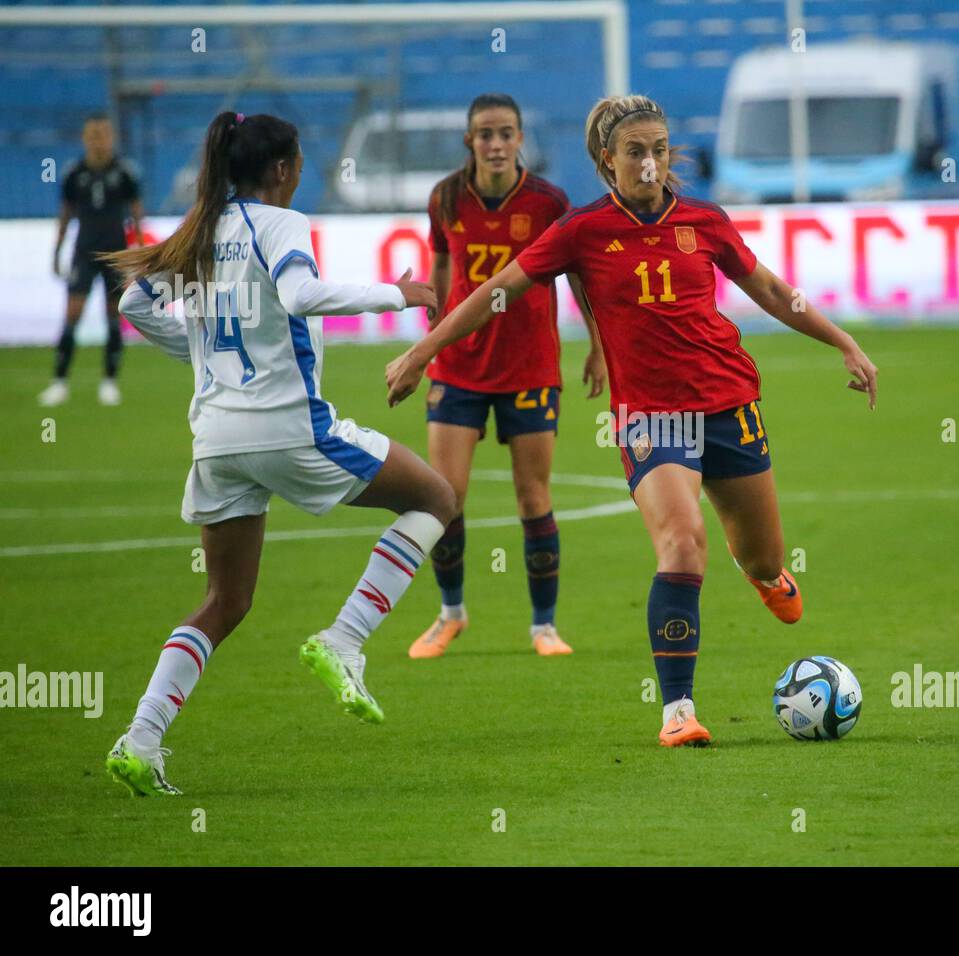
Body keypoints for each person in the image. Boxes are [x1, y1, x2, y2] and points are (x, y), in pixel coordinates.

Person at [385, 95, 878, 747]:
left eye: (658, 151)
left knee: (762, 556)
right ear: (606, 161)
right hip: (651, 417)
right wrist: (422, 352)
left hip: (729, 403)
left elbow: (770, 291)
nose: (649, 165)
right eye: (635, 153)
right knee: (681, 542)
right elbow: (493, 292)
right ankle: (678, 713)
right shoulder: (581, 232)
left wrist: (842, 339)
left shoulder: (705, 220)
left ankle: (762, 573)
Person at [100, 111, 457, 795]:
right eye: (298, 163)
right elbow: (300, 294)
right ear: (284, 169)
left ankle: (140, 740)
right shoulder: (281, 224)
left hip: (217, 441)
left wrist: (203, 359)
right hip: (292, 429)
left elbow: (135, 305)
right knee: (437, 498)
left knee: (224, 601)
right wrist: (399, 293)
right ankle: (345, 637)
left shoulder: (202, 228)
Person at [412, 92, 606, 660]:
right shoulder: (445, 197)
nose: (495, 144)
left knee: (532, 497)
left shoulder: (550, 202)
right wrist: (430, 338)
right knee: (443, 498)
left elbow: (576, 277)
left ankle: (543, 627)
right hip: (459, 368)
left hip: (530, 368)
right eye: (484, 135)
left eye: (505, 134)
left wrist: (596, 345)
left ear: (521, 139)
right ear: (469, 141)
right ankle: (450, 614)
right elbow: (443, 266)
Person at [39, 114, 144, 407]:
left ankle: (109, 382)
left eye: (104, 135)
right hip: (83, 253)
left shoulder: (125, 173)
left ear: (111, 138)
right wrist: (57, 251)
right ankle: (59, 381)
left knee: (114, 315)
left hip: (116, 254)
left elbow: (136, 214)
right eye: (93, 135)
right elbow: (65, 215)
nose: (99, 141)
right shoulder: (75, 174)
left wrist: (138, 254)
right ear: (85, 139)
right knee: (73, 313)